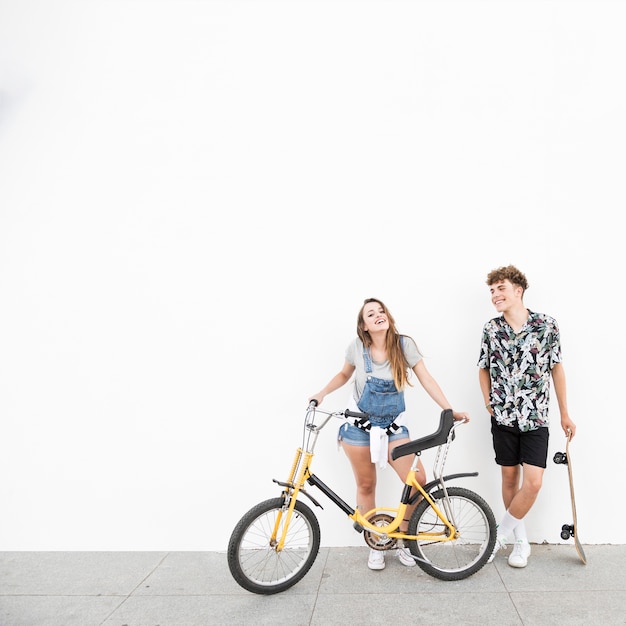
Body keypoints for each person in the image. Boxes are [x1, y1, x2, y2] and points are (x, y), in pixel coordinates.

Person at [310, 298, 469, 571]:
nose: (378, 315)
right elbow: (343, 375)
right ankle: (376, 542)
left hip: (394, 426)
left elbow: (426, 378)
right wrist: (321, 394)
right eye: (371, 314)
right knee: (366, 486)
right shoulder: (357, 348)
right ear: (364, 325)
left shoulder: (404, 345)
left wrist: (448, 409)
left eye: (381, 311)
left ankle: (405, 540)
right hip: (358, 427)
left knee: (417, 480)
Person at [478, 265, 576, 568]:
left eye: (501, 288)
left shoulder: (546, 325)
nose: (495, 295)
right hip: (503, 418)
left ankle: (497, 536)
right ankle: (520, 541)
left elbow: (556, 368)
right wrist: (487, 403)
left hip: (535, 418)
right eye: (492, 290)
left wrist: (565, 414)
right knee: (509, 478)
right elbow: (483, 367)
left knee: (533, 483)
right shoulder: (491, 328)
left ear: (518, 290)